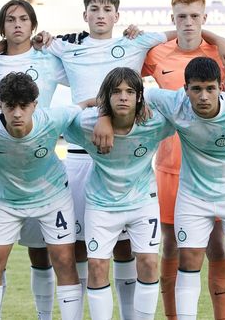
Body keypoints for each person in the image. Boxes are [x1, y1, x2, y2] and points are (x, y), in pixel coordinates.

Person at [0, 0, 225, 319]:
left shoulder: (135, 42)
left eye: (107, 10)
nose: (100, 15)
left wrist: (220, 41)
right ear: (85, 15)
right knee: (80, 250)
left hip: (125, 157)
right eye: (94, 9)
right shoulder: (67, 46)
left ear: (117, 16)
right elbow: (22, 42)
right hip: (80, 158)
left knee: (126, 247)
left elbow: (185, 28)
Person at [145, 57, 225, 320]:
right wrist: (102, 114)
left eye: (210, 88)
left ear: (220, 88)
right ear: (185, 90)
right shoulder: (174, 104)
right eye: (196, 89)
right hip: (193, 197)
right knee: (189, 261)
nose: (203, 96)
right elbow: (139, 94)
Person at [139, 0, 225, 320]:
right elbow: (119, 70)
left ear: (204, 19)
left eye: (195, 16)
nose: (188, 22)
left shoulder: (220, 55)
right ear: (173, 19)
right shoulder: (156, 55)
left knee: (216, 246)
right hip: (169, 167)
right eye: (182, 16)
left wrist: (219, 39)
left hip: (214, 168)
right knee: (170, 246)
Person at [0, 0, 69, 320]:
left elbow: (86, 69)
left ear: (33, 25)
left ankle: (44, 316)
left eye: (24, 19)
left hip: (42, 170)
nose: (17, 24)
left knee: (41, 255)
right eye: (10, 19)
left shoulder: (50, 60)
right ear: (2, 27)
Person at [0, 72, 88, 320]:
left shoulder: (53, 118)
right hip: (7, 201)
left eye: (24, 106)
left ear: (35, 105)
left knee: (64, 260)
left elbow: (85, 104)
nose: (17, 114)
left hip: (53, 197)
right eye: (10, 106)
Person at [64, 67, 175, 320]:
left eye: (129, 91)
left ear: (138, 97)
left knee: (148, 262)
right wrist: (101, 113)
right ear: (106, 97)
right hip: (101, 205)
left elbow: (181, 111)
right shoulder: (87, 123)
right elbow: (58, 121)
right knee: (97, 266)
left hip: (142, 202)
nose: (123, 97)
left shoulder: (156, 122)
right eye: (116, 92)